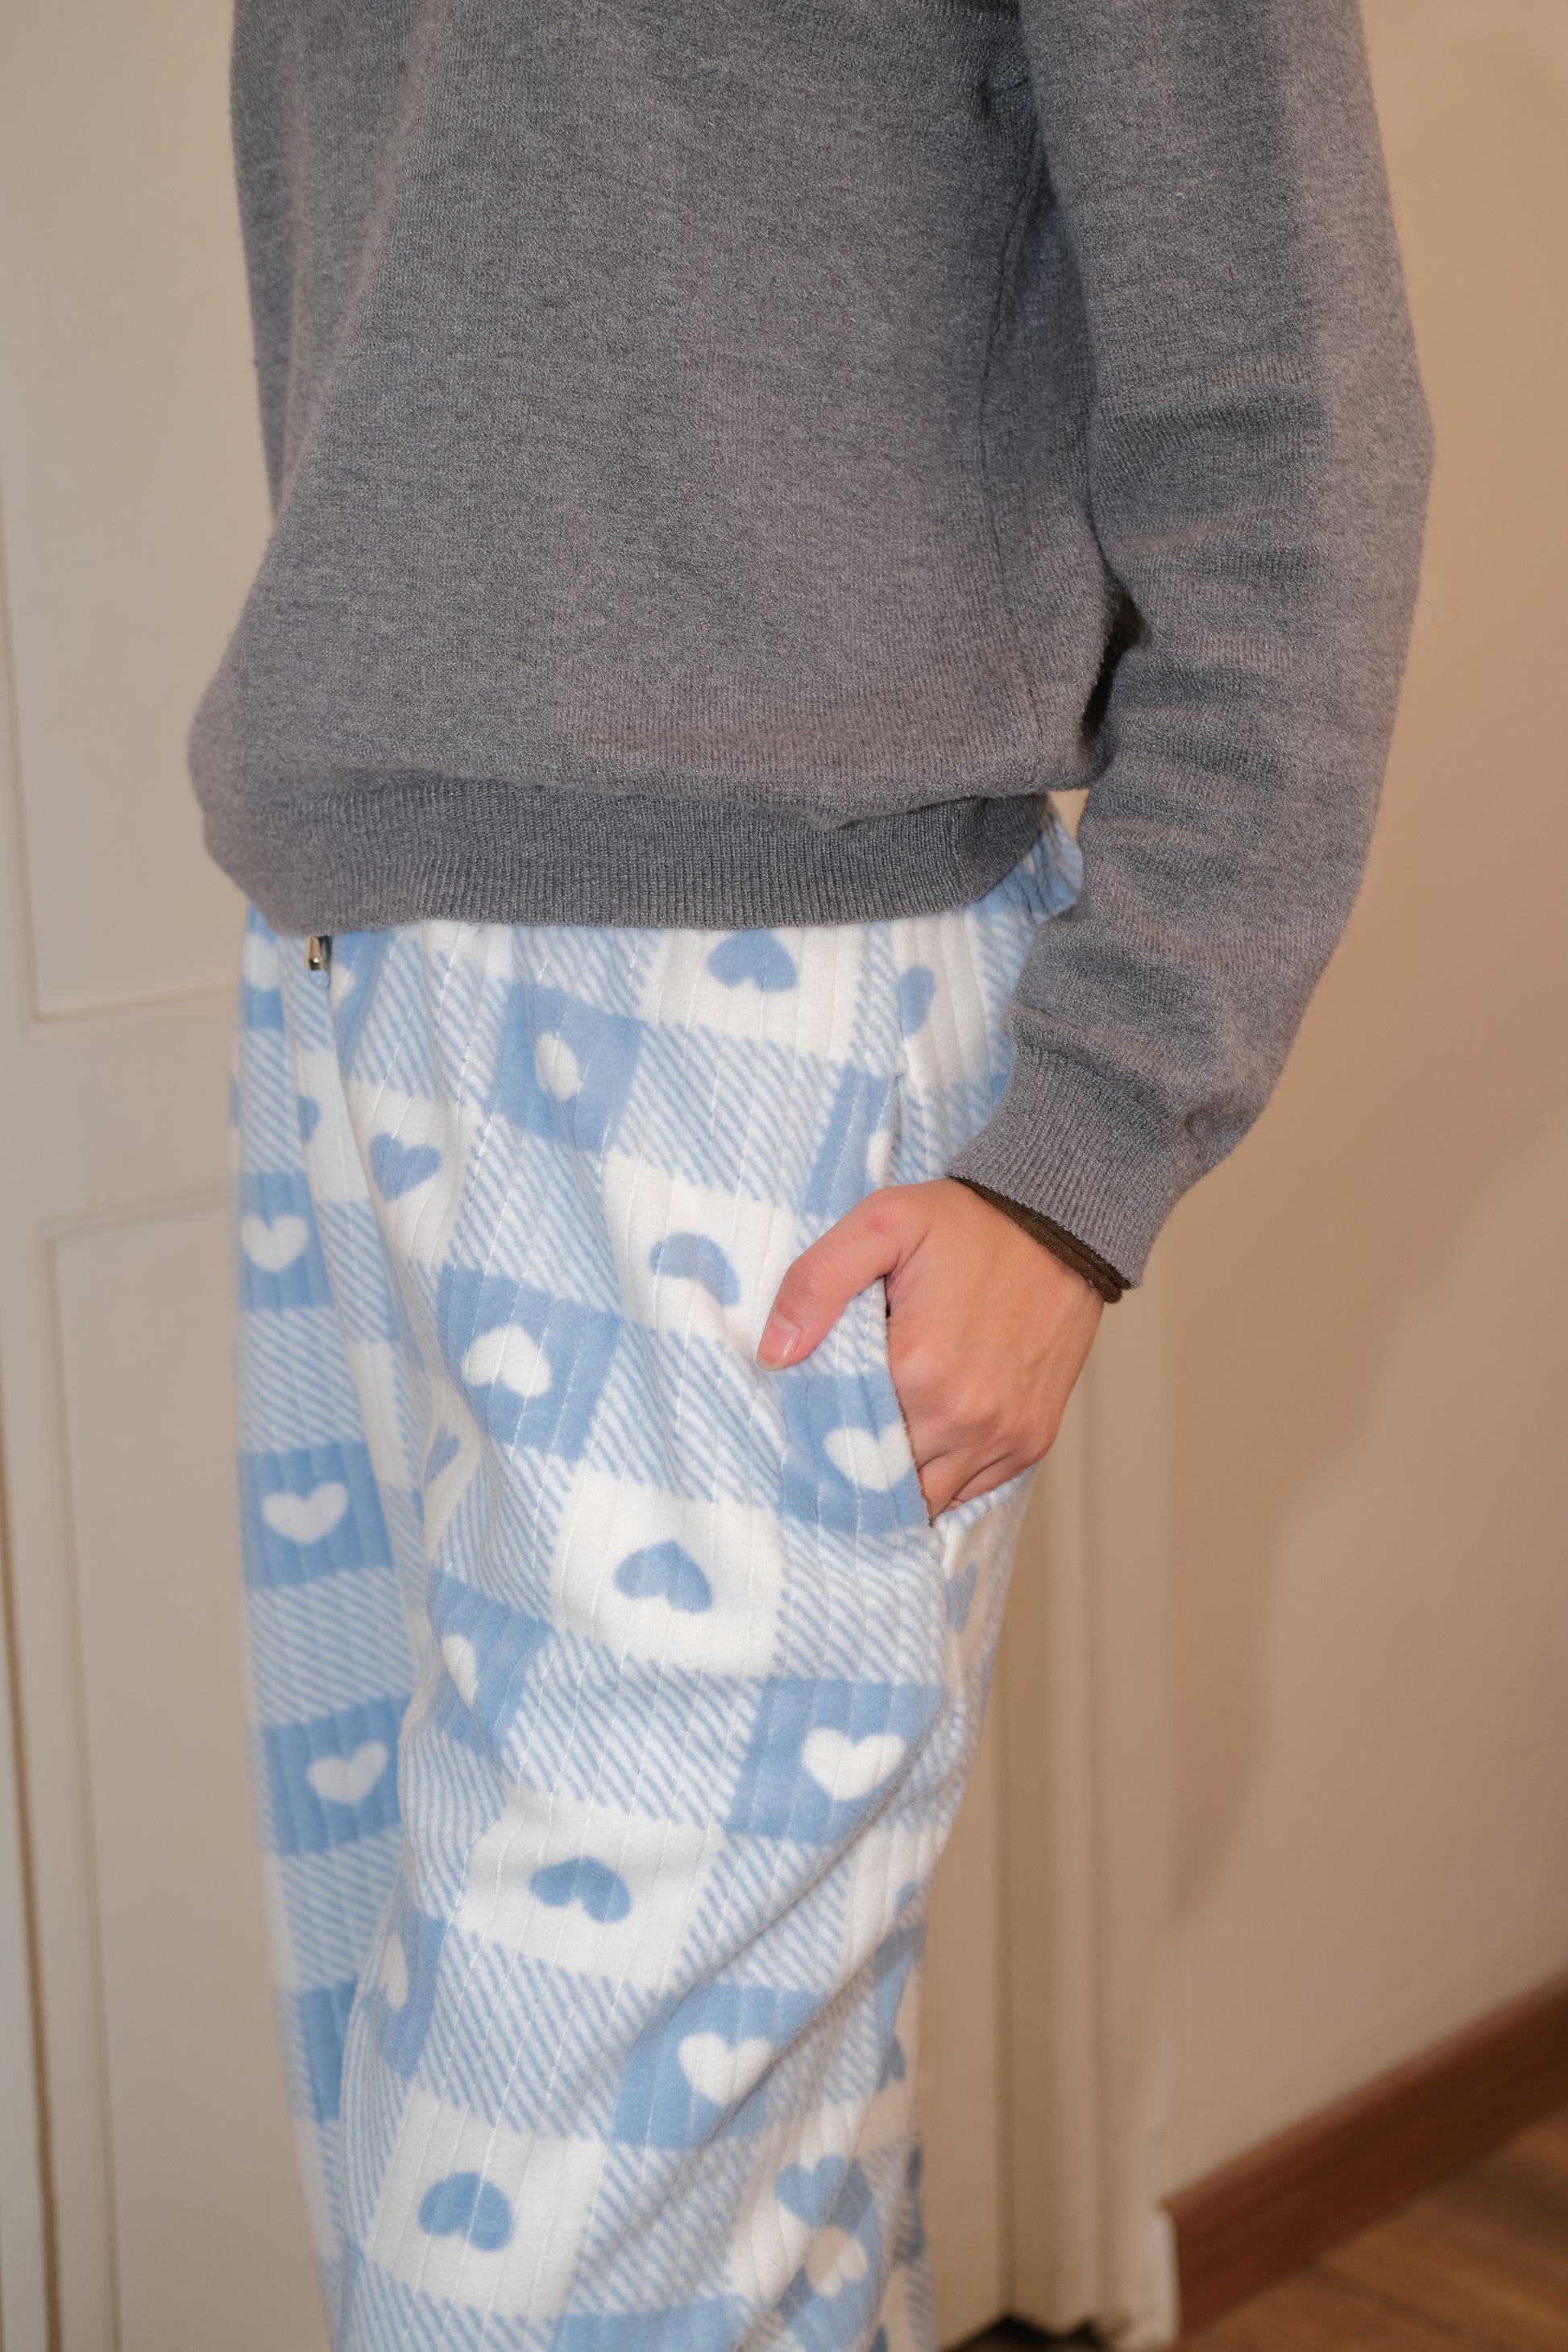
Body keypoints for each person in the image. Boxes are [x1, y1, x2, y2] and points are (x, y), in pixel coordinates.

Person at [197, 1, 1430, 2343]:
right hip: (350, 984)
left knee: (526, 2256)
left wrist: (1084, 1148)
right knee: (587, 2157)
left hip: (755, 1040)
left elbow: (1289, 431)